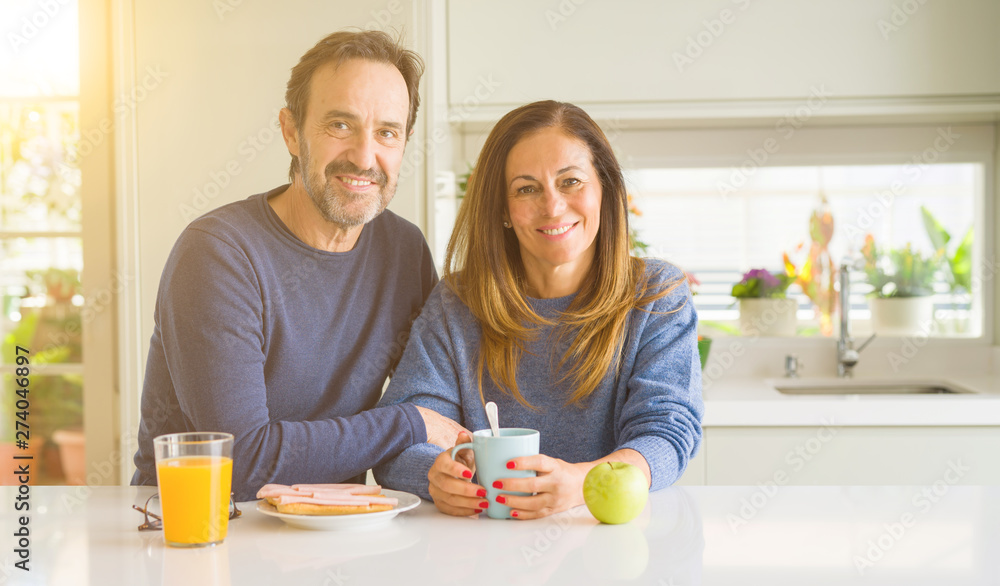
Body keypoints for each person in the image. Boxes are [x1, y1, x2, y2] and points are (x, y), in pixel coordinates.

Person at [131, 30, 465, 500]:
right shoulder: (218, 254)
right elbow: (240, 463)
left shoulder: (403, 250)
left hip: (336, 530)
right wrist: (408, 424)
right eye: (340, 125)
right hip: (202, 531)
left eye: (387, 133)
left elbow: (443, 392)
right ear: (291, 131)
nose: (365, 157)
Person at [374, 100, 703, 519]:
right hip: (481, 553)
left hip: (605, 540)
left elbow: (666, 433)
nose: (552, 206)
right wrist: (433, 475)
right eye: (527, 188)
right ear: (503, 210)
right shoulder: (458, 303)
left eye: (570, 182)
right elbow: (401, 434)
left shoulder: (656, 295)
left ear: (604, 190)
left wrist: (583, 482)